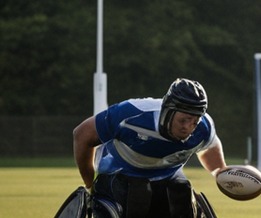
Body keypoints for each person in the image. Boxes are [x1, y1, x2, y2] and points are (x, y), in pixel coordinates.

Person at [73, 78, 229, 209]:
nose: (188, 128)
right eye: (183, 120)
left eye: (194, 122)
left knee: (183, 198)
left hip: (168, 174)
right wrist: (89, 184)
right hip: (120, 170)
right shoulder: (131, 113)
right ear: (167, 112)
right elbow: (82, 135)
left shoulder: (204, 127)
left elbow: (209, 146)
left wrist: (220, 171)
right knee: (138, 196)